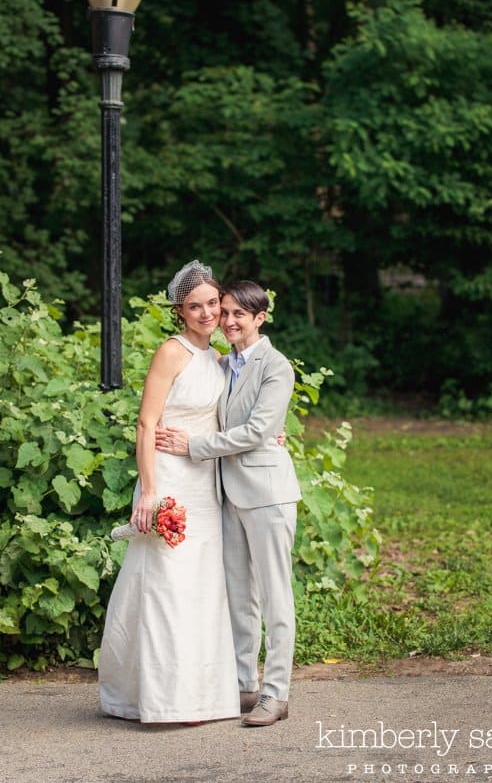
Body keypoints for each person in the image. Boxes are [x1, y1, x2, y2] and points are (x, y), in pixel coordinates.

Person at [98, 261, 240, 724]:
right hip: (170, 480)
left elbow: (230, 420)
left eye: (213, 304)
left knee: (202, 586)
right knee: (167, 585)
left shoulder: (218, 359)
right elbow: (147, 423)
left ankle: (201, 694)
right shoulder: (172, 352)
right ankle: (163, 697)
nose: (206, 313)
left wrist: (268, 434)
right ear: (180, 310)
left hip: (205, 483)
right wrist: (149, 492)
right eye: (195, 306)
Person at [156, 280, 301, 727]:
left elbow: (259, 430)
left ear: (261, 318)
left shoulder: (276, 367)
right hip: (226, 494)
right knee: (240, 597)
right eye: (228, 312)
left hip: (267, 495)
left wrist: (194, 445)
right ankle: (245, 685)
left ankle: (277, 695)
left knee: (275, 598)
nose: (231, 320)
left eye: (242, 314)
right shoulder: (222, 363)